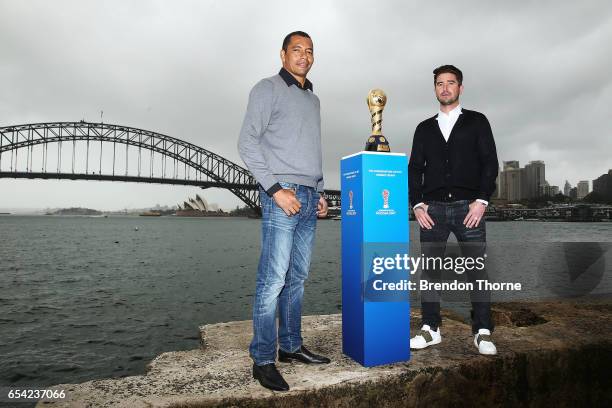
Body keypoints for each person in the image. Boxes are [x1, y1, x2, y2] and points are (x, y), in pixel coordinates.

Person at [237, 30, 330, 392]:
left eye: (309, 51)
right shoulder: (267, 88)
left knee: (297, 278)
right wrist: (275, 190)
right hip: (283, 196)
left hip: (309, 195)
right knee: (272, 279)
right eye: (297, 50)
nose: (304, 56)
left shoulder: (314, 100)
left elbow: (312, 148)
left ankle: (290, 346)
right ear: (282, 54)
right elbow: (246, 141)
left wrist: (320, 191)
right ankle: (262, 360)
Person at [408, 65, 499, 355]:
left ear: (460, 87)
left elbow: (490, 163)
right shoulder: (424, 128)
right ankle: (431, 328)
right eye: (439, 83)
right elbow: (414, 170)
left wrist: (482, 201)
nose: (445, 88)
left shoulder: (477, 122)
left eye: (450, 83)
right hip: (432, 210)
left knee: (477, 271)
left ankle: (482, 331)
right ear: (435, 88)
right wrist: (417, 204)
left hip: (468, 208)